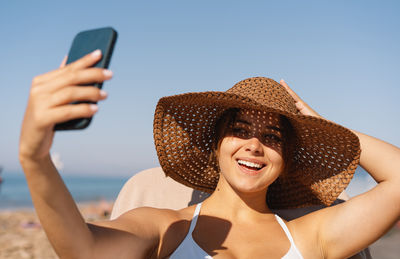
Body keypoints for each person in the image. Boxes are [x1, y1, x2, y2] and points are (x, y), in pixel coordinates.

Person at [19, 50, 400, 258]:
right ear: (217, 145)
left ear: (285, 162)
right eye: (239, 130)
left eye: (272, 136)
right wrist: (35, 159)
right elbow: (84, 251)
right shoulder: (165, 227)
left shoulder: (311, 235)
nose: (254, 144)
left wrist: (323, 125)